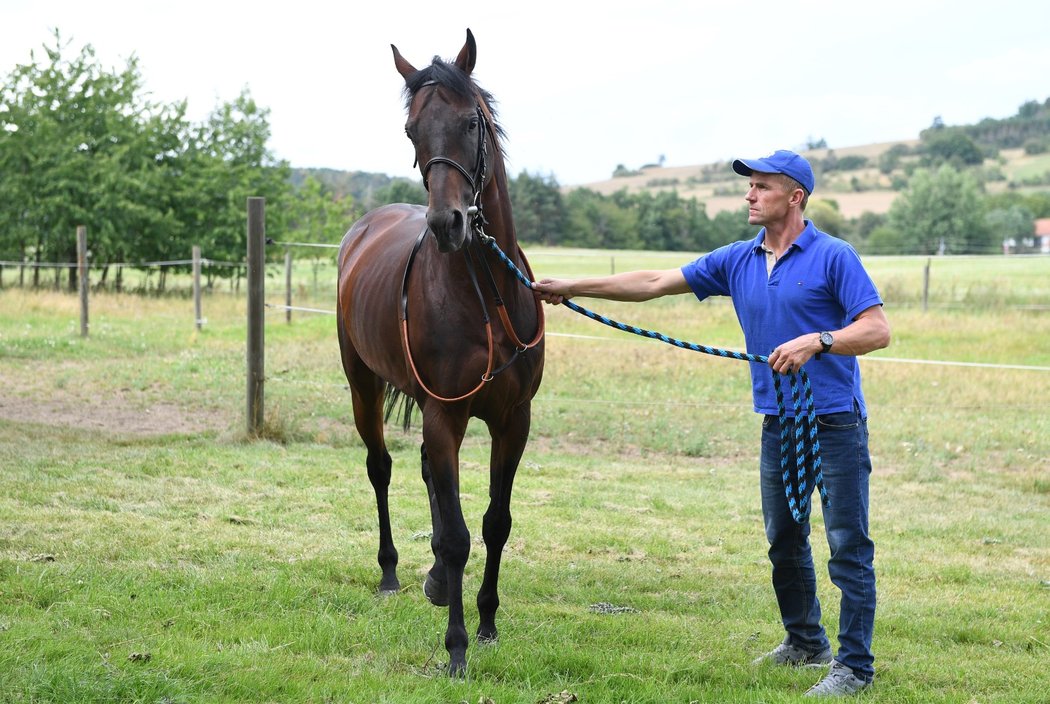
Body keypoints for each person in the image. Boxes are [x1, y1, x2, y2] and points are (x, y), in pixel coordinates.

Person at [532, 150, 890, 697]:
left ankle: (855, 667)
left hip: (834, 423)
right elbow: (653, 280)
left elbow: (876, 330)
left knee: (847, 544)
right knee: (784, 538)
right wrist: (575, 285)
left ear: (795, 197)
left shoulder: (834, 256)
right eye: (749, 186)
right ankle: (805, 642)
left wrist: (818, 342)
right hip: (778, 421)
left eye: (762, 187)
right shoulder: (737, 259)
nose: (749, 195)